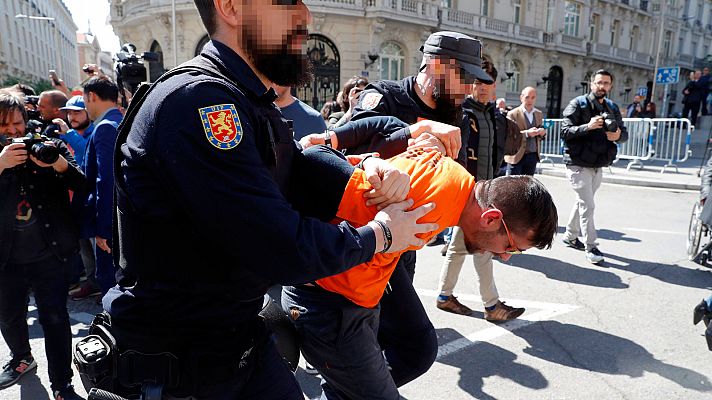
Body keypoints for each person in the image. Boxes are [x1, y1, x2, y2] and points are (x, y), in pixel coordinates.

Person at [103, 1, 436, 398]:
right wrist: (380, 235)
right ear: (230, 7)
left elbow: (295, 166)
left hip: (232, 340)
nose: (305, 16)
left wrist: (366, 170)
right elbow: (278, 244)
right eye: (287, 2)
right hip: (180, 364)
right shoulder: (200, 102)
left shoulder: (244, 98)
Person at [282, 145, 558, 400]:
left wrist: (367, 161)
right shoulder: (429, 205)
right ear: (491, 218)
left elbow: (357, 169)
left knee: (416, 350)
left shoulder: (452, 173)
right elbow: (313, 166)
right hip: (330, 307)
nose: (505, 255)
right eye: (511, 246)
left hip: (347, 302)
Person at [0, 93, 85, 400]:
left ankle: (62, 385)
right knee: (8, 316)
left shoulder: (47, 143)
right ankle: (22, 357)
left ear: (27, 120)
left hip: (51, 253)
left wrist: (56, 162)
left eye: (18, 124)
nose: (12, 132)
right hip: (6, 257)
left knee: (55, 319)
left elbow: (83, 183)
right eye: (4, 126)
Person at [436, 60, 525, 321]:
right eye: (477, 82)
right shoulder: (460, 112)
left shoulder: (495, 116)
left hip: (486, 191)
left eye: (487, 83)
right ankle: (491, 305)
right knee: (483, 246)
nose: (482, 88)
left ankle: (445, 296)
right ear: (470, 84)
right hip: (465, 189)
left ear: (494, 86)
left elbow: (503, 150)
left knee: (461, 246)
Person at [561, 69, 628, 264]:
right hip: (577, 164)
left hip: (598, 164)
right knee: (588, 205)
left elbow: (624, 134)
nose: (602, 86)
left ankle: (570, 235)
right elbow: (564, 131)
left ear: (611, 86)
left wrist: (618, 136)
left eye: (606, 83)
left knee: (583, 202)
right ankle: (591, 246)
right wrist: (587, 127)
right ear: (592, 84)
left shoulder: (612, 107)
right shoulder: (578, 104)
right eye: (599, 83)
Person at [52, 96, 101, 300]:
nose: (72, 116)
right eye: (69, 112)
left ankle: (107, 285)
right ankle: (92, 282)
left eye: (77, 112)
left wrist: (69, 135)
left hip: (93, 201)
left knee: (99, 249)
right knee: (84, 248)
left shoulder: (95, 131)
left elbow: (88, 154)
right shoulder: (65, 137)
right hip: (75, 201)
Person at [82, 76, 123, 296]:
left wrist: (104, 230)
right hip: (120, 221)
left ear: (92, 96)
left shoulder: (106, 127)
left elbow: (106, 181)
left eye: (85, 100)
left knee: (110, 283)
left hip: (110, 228)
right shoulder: (120, 120)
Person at [505, 86, 545, 176]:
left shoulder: (538, 114)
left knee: (528, 186)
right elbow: (509, 135)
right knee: (513, 186)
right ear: (521, 98)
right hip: (516, 155)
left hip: (532, 155)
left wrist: (542, 132)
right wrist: (527, 133)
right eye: (527, 97)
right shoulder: (513, 113)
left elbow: (541, 133)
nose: (530, 100)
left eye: (533, 97)